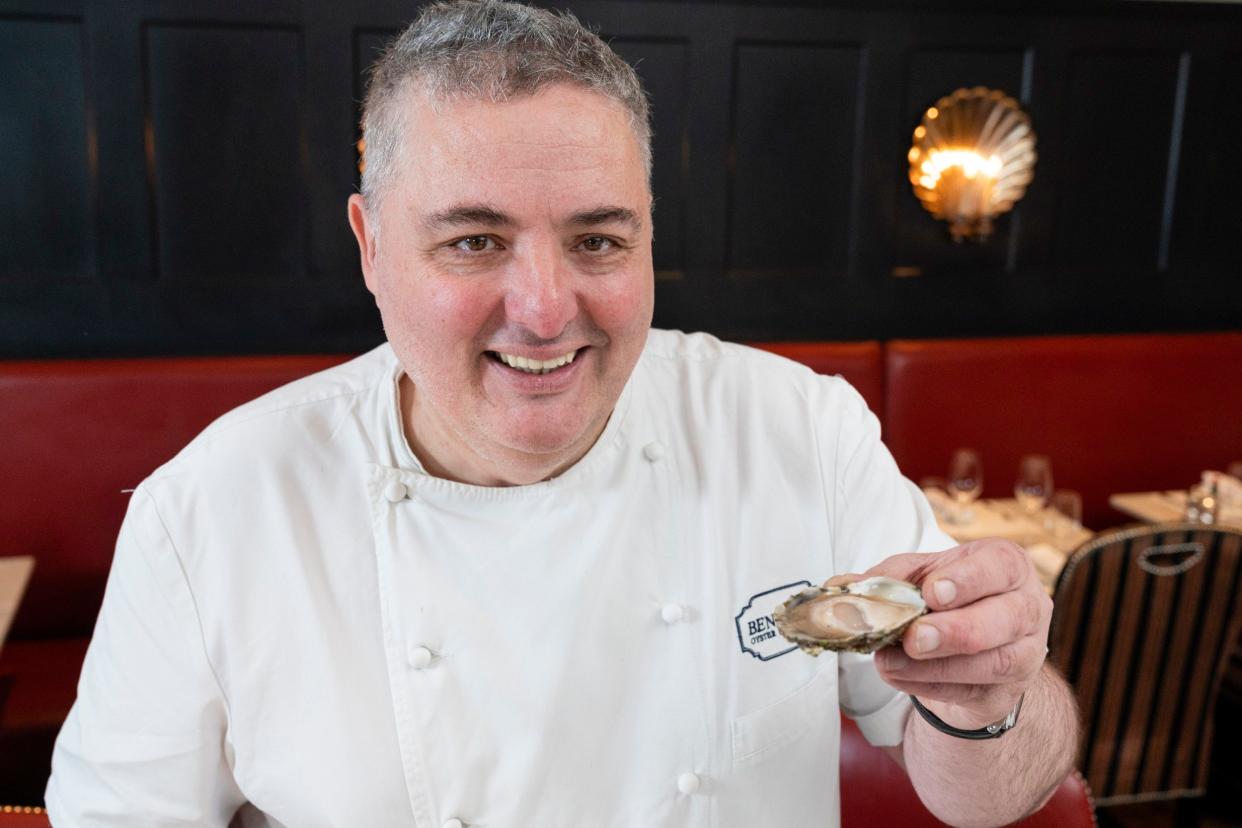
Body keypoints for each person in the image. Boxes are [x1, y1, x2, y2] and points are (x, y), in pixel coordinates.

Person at [46, 1, 1078, 825]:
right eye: (473, 242)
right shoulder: (213, 513)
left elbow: (991, 794)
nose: (545, 312)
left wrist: (990, 703)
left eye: (598, 242)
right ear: (371, 247)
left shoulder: (798, 431)